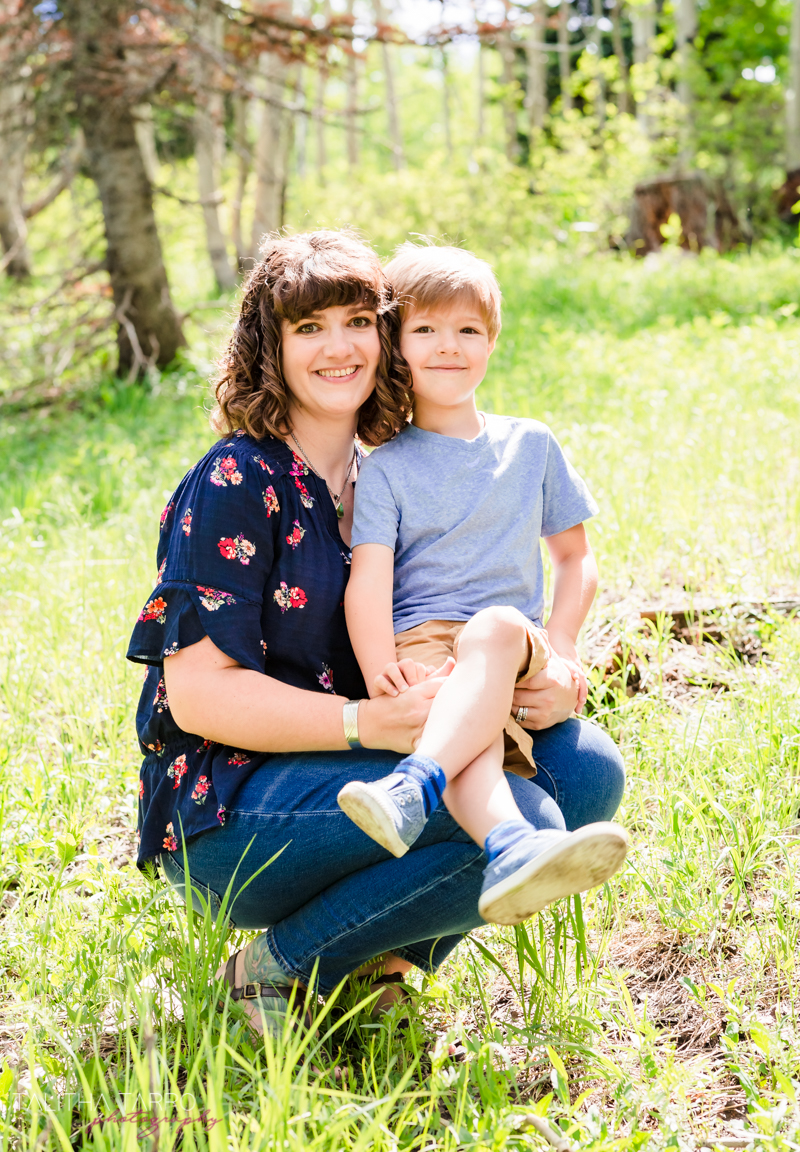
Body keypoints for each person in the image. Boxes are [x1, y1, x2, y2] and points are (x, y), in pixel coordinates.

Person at [126, 229, 625, 1039]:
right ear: (270, 347)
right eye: (309, 327)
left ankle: (377, 969)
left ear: (385, 334)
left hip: (359, 765)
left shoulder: (382, 474)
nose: (340, 347)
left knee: (586, 771)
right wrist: (368, 722)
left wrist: (540, 675)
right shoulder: (236, 479)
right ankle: (272, 969)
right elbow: (199, 698)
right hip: (231, 810)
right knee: (525, 818)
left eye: (358, 321)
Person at [340, 243, 628, 926]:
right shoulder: (383, 468)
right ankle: (511, 845)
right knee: (465, 735)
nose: (449, 345)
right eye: (426, 329)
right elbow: (368, 582)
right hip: (422, 643)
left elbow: (574, 558)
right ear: (395, 346)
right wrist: (382, 671)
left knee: (494, 626)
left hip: (509, 642)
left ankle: (412, 785)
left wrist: (563, 644)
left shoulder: (530, 445)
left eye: (468, 329)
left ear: (492, 342)